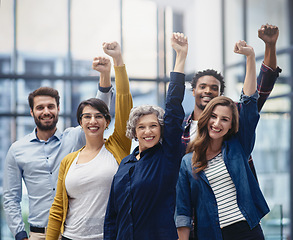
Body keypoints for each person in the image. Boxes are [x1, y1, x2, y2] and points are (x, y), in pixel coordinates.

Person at [2, 46, 117, 240]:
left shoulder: (74, 137)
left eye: (50, 106)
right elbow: (10, 198)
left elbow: (98, 111)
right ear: (32, 112)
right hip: (38, 234)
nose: (46, 111)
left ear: (58, 109)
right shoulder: (17, 150)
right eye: (40, 107)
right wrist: (21, 235)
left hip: (71, 232)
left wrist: (104, 76)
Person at [176, 40, 269, 239]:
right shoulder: (187, 162)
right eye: (213, 117)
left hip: (248, 231)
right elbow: (182, 209)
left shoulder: (238, 147)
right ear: (205, 119)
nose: (217, 123)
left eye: (224, 119)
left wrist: (250, 57)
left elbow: (250, 103)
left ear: (231, 125)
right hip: (211, 234)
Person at [103, 32, 188, 240]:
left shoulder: (167, 156)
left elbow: (174, 109)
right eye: (141, 127)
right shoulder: (125, 164)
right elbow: (112, 216)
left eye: (153, 126)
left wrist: (181, 57)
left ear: (161, 129)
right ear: (134, 131)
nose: (148, 131)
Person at [45, 42, 133, 240]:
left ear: (107, 121)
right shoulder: (69, 161)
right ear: (80, 122)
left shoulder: (118, 146)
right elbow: (58, 208)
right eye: (87, 116)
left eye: (98, 116)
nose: (93, 121)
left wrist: (118, 60)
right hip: (71, 237)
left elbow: (124, 100)